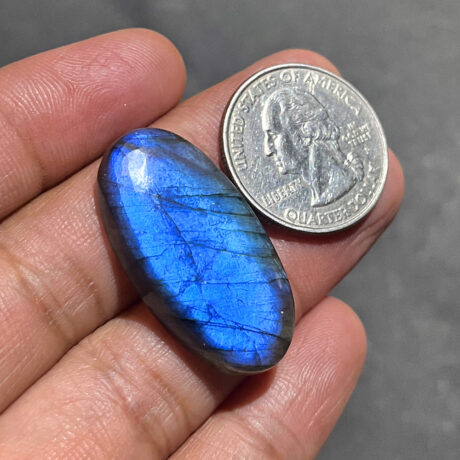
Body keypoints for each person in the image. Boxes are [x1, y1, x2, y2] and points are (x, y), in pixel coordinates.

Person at [0, 29, 403, 458]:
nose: (268, 145)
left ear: (302, 134)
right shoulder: (146, 171)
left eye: (274, 133)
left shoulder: (154, 173)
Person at [262, 88, 364, 208]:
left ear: (305, 133)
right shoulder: (323, 192)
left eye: (273, 135)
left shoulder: (338, 186)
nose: (268, 150)